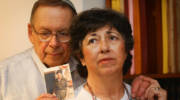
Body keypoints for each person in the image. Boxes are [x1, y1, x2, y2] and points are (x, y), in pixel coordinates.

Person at [0, 0, 165, 100]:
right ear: (30, 33)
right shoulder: (4, 74)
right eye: (45, 33)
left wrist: (151, 88)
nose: (54, 43)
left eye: (63, 33)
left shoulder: (91, 64)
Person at [69, 8, 167, 100]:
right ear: (81, 57)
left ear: (126, 49)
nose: (104, 48)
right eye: (93, 40)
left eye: (112, 38)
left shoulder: (144, 96)